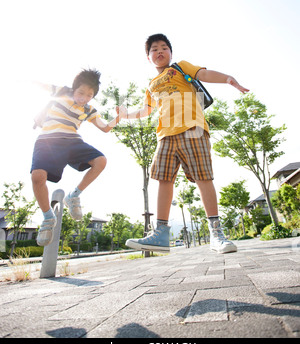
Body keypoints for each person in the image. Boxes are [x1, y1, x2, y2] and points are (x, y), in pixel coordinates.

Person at [124, 34, 249, 254]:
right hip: (165, 135)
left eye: (164, 47)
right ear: (148, 56)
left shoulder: (180, 67)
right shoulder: (151, 85)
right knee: (164, 180)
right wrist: (125, 115)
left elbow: (204, 73)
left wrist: (227, 78)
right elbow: (146, 111)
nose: (160, 51)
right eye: (154, 49)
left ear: (171, 52)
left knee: (203, 177)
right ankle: (161, 234)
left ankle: (216, 233)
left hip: (193, 129)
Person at [31, 68, 126, 246]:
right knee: (37, 176)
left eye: (89, 95)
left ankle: (73, 196)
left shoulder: (89, 110)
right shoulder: (61, 91)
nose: (84, 98)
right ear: (74, 88)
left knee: (101, 160)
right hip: (48, 141)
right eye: (81, 92)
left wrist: (118, 117)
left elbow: (105, 128)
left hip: (72, 141)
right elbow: (39, 85)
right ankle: (47, 218)